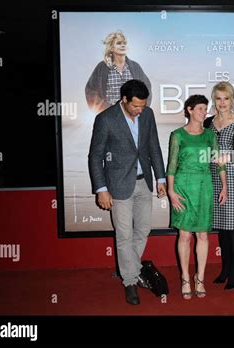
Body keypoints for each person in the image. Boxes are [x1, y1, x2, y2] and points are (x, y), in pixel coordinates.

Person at [88, 79, 166, 305]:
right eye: (136, 106)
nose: (140, 110)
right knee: (124, 235)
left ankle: (130, 268)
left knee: (143, 229)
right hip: (118, 186)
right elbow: (96, 156)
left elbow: (154, 146)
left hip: (144, 183)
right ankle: (130, 281)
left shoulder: (148, 115)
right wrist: (101, 189)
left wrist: (160, 177)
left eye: (143, 105)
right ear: (124, 100)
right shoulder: (105, 119)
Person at [166, 95, 227, 299]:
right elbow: (172, 166)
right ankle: (185, 278)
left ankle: (199, 278)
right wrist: (171, 191)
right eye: (200, 109)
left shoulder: (210, 135)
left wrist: (224, 186)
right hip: (182, 186)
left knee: (202, 235)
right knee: (184, 235)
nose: (204, 112)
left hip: (204, 186)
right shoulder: (178, 135)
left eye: (205, 109)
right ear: (189, 110)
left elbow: (219, 162)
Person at [204, 81, 234, 290]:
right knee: (221, 229)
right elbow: (202, 150)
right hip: (211, 177)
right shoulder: (207, 123)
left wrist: (229, 158)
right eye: (218, 98)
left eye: (226, 98)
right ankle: (225, 268)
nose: (222, 102)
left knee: (232, 228)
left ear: (232, 99)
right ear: (214, 100)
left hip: (232, 177)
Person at [85, 31, 152, 114]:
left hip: (132, 115)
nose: (123, 45)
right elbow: (90, 90)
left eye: (124, 43)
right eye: (119, 43)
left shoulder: (135, 67)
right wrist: (104, 109)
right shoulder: (102, 67)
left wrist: (141, 109)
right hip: (110, 116)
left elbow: (147, 88)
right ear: (111, 48)